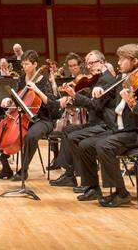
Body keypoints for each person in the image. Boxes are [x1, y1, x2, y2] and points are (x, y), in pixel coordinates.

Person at [70, 44, 138, 208]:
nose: (119, 62)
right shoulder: (121, 79)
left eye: (123, 59)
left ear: (135, 61)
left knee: (104, 145)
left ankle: (121, 192)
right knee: (84, 145)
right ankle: (93, 187)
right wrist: (97, 91)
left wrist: (131, 100)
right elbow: (101, 100)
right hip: (120, 129)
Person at [49, 50, 115, 188]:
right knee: (67, 130)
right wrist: (72, 99)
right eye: (87, 63)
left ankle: (82, 177)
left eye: (91, 63)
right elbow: (90, 100)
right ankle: (69, 174)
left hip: (104, 124)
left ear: (101, 62)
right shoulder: (98, 78)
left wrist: (74, 95)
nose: (88, 66)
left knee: (74, 136)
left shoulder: (106, 80)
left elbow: (95, 105)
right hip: (95, 122)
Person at [0, 51, 58, 181]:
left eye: (26, 64)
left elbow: (53, 104)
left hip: (42, 119)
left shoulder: (44, 81)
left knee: (31, 136)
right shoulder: (21, 79)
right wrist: (9, 101)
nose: (24, 67)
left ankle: (23, 170)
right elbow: (18, 98)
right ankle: (6, 169)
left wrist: (37, 90)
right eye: (23, 64)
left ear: (35, 64)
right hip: (22, 117)